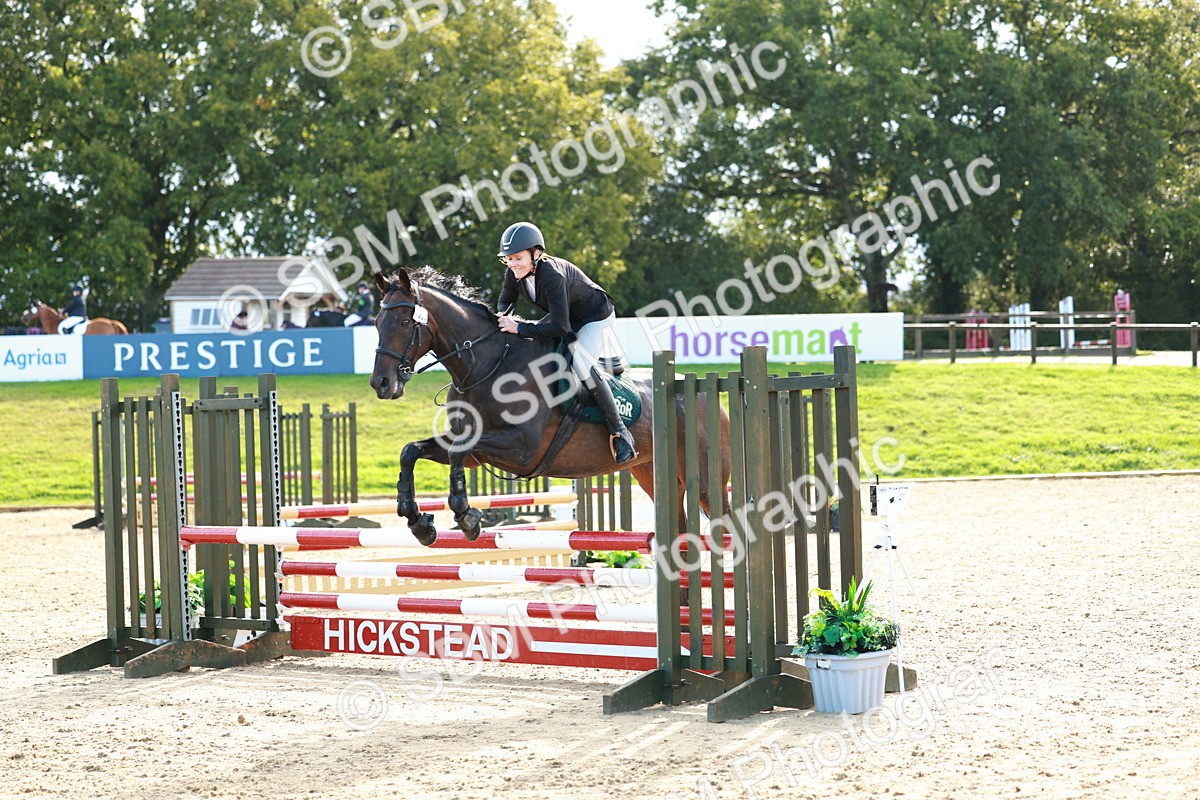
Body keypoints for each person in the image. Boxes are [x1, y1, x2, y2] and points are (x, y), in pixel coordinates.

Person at [494, 221, 637, 464]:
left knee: (581, 363)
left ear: (536, 254)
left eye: (518, 258)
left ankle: (621, 432)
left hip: (595, 316)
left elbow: (560, 328)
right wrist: (501, 318)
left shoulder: (551, 274)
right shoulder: (514, 273)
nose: (512, 263)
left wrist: (519, 327)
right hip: (568, 315)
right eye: (508, 258)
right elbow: (505, 301)